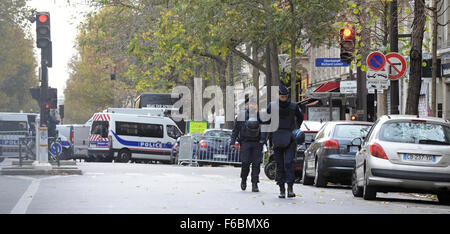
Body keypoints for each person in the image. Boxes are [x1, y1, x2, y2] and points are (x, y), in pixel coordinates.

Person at [267, 84, 303, 198]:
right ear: (278, 95)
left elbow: (300, 117)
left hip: (290, 137)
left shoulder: (293, 106)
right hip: (277, 137)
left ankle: (290, 188)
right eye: (282, 96)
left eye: (285, 96)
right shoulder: (272, 106)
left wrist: (295, 128)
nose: (284, 98)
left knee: (289, 163)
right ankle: (282, 189)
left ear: (287, 96)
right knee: (280, 165)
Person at [230, 95, 266, 192]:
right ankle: (244, 179)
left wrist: (263, 140)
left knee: (256, 164)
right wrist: (232, 142)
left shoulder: (261, 116)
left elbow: (265, 129)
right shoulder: (241, 115)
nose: (253, 106)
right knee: (245, 163)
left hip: (257, 143)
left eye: (255, 104)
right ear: (248, 105)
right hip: (245, 142)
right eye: (251, 104)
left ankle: (255, 184)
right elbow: (235, 130)